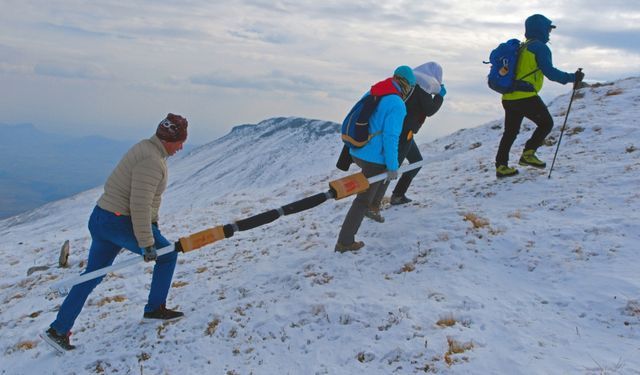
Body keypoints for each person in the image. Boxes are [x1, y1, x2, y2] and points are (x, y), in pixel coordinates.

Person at [43, 113, 189, 352]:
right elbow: (139, 204)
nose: (182, 147)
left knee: (92, 275)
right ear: (169, 139)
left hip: (102, 217)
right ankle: (154, 309)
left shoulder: (146, 148)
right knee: (168, 255)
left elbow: (148, 201)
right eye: (180, 141)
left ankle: (58, 329)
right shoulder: (151, 160)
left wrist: (153, 227)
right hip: (119, 222)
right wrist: (147, 242)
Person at [335, 66, 415, 253]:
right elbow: (391, 136)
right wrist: (393, 166)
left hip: (358, 150)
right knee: (362, 200)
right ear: (408, 86)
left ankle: (373, 206)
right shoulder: (397, 103)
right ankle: (345, 243)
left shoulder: (378, 89)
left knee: (372, 189)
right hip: (373, 158)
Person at [495, 14, 584, 178]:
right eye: (548, 29)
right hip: (525, 96)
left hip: (508, 97)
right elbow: (550, 73)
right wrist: (573, 77)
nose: (549, 33)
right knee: (546, 123)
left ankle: (501, 166)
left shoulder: (522, 47)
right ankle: (528, 154)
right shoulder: (539, 47)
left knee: (510, 132)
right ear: (541, 29)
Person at [365, 62, 445, 222]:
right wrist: (440, 96)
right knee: (391, 168)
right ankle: (375, 204)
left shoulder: (411, 85)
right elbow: (430, 110)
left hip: (401, 131)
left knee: (415, 161)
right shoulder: (423, 90)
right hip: (403, 134)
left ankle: (397, 195)